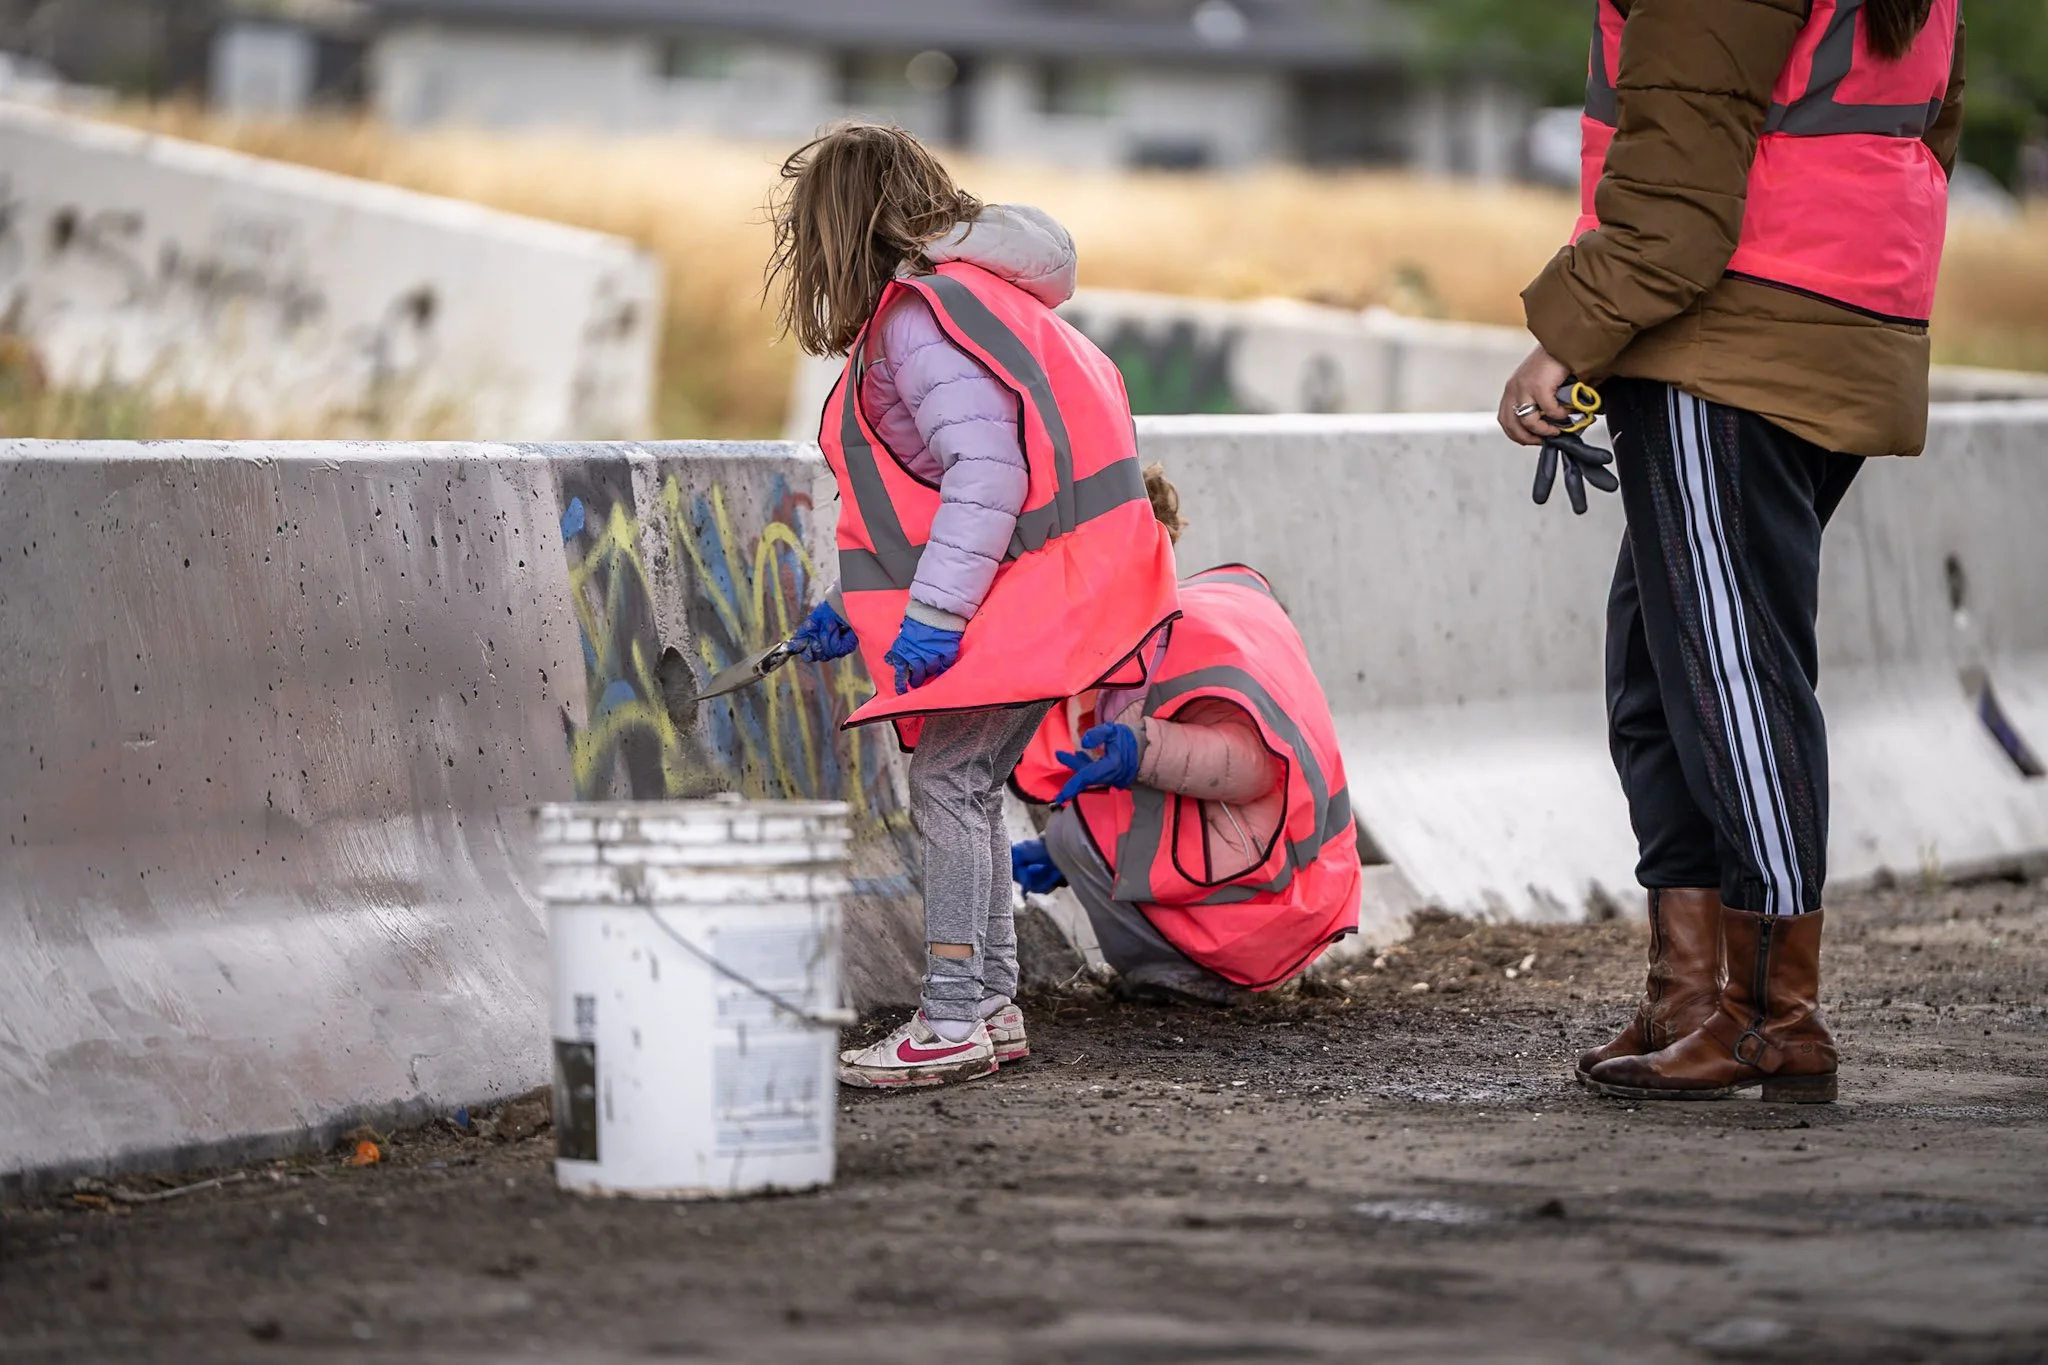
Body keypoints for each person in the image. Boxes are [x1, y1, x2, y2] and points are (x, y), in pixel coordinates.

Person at [1500, 0, 1964, 1102]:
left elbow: (1673, 206)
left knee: (1726, 674)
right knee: (1662, 664)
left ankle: (1766, 1017)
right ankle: (1689, 993)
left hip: (1733, 334)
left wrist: (1560, 344)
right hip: (1840, 316)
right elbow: (1933, 133)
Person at [766, 123, 1180, 1088]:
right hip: (1069, 591)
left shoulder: (916, 321)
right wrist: (851, 605)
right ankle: (988, 1001)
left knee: (948, 786)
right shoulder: (979, 298)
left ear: (838, 228)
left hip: (1015, 603)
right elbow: (926, 501)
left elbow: (985, 473)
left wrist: (936, 617)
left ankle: (952, 1014)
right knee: (971, 785)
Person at [1009, 470, 1361, 1005]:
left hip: (1258, 912)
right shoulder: (1190, 615)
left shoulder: (1178, 634)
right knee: (1072, 836)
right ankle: (1200, 964)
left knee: (1072, 832)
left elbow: (1255, 767)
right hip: (1293, 887)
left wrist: (1141, 752)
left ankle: (1178, 974)